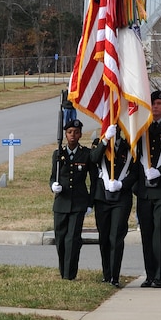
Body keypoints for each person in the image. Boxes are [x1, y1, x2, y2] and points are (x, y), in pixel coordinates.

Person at [135, 90, 161, 288]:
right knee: (146, 231)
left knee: (160, 231)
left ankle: (160, 276)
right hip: (143, 189)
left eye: (160, 103)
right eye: (153, 103)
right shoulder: (140, 127)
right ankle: (149, 274)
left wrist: (160, 172)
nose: (155, 106)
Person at [91, 123, 136, 287]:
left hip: (121, 198)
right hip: (102, 197)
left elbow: (135, 171)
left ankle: (114, 276)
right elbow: (94, 158)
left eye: (117, 127)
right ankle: (106, 273)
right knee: (104, 237)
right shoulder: (99, 142)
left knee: (116, 236)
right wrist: (105, 140)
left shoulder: (129, 146)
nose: (115, 130)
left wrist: (122, 185)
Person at [49, 119, 93, 280]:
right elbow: (53, 176)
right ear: (65, 134)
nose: (72, 135)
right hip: (61, 203)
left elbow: (92, 180)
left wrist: (90, 203)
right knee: (60, 239)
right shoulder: (58, 154)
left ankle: (70, 274)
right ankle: (63, 272)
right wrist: (53, 186)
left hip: (78, 203)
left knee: (72, 240)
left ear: (80, 134)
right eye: (69, 132)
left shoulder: (86, 154)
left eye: (75, 132)